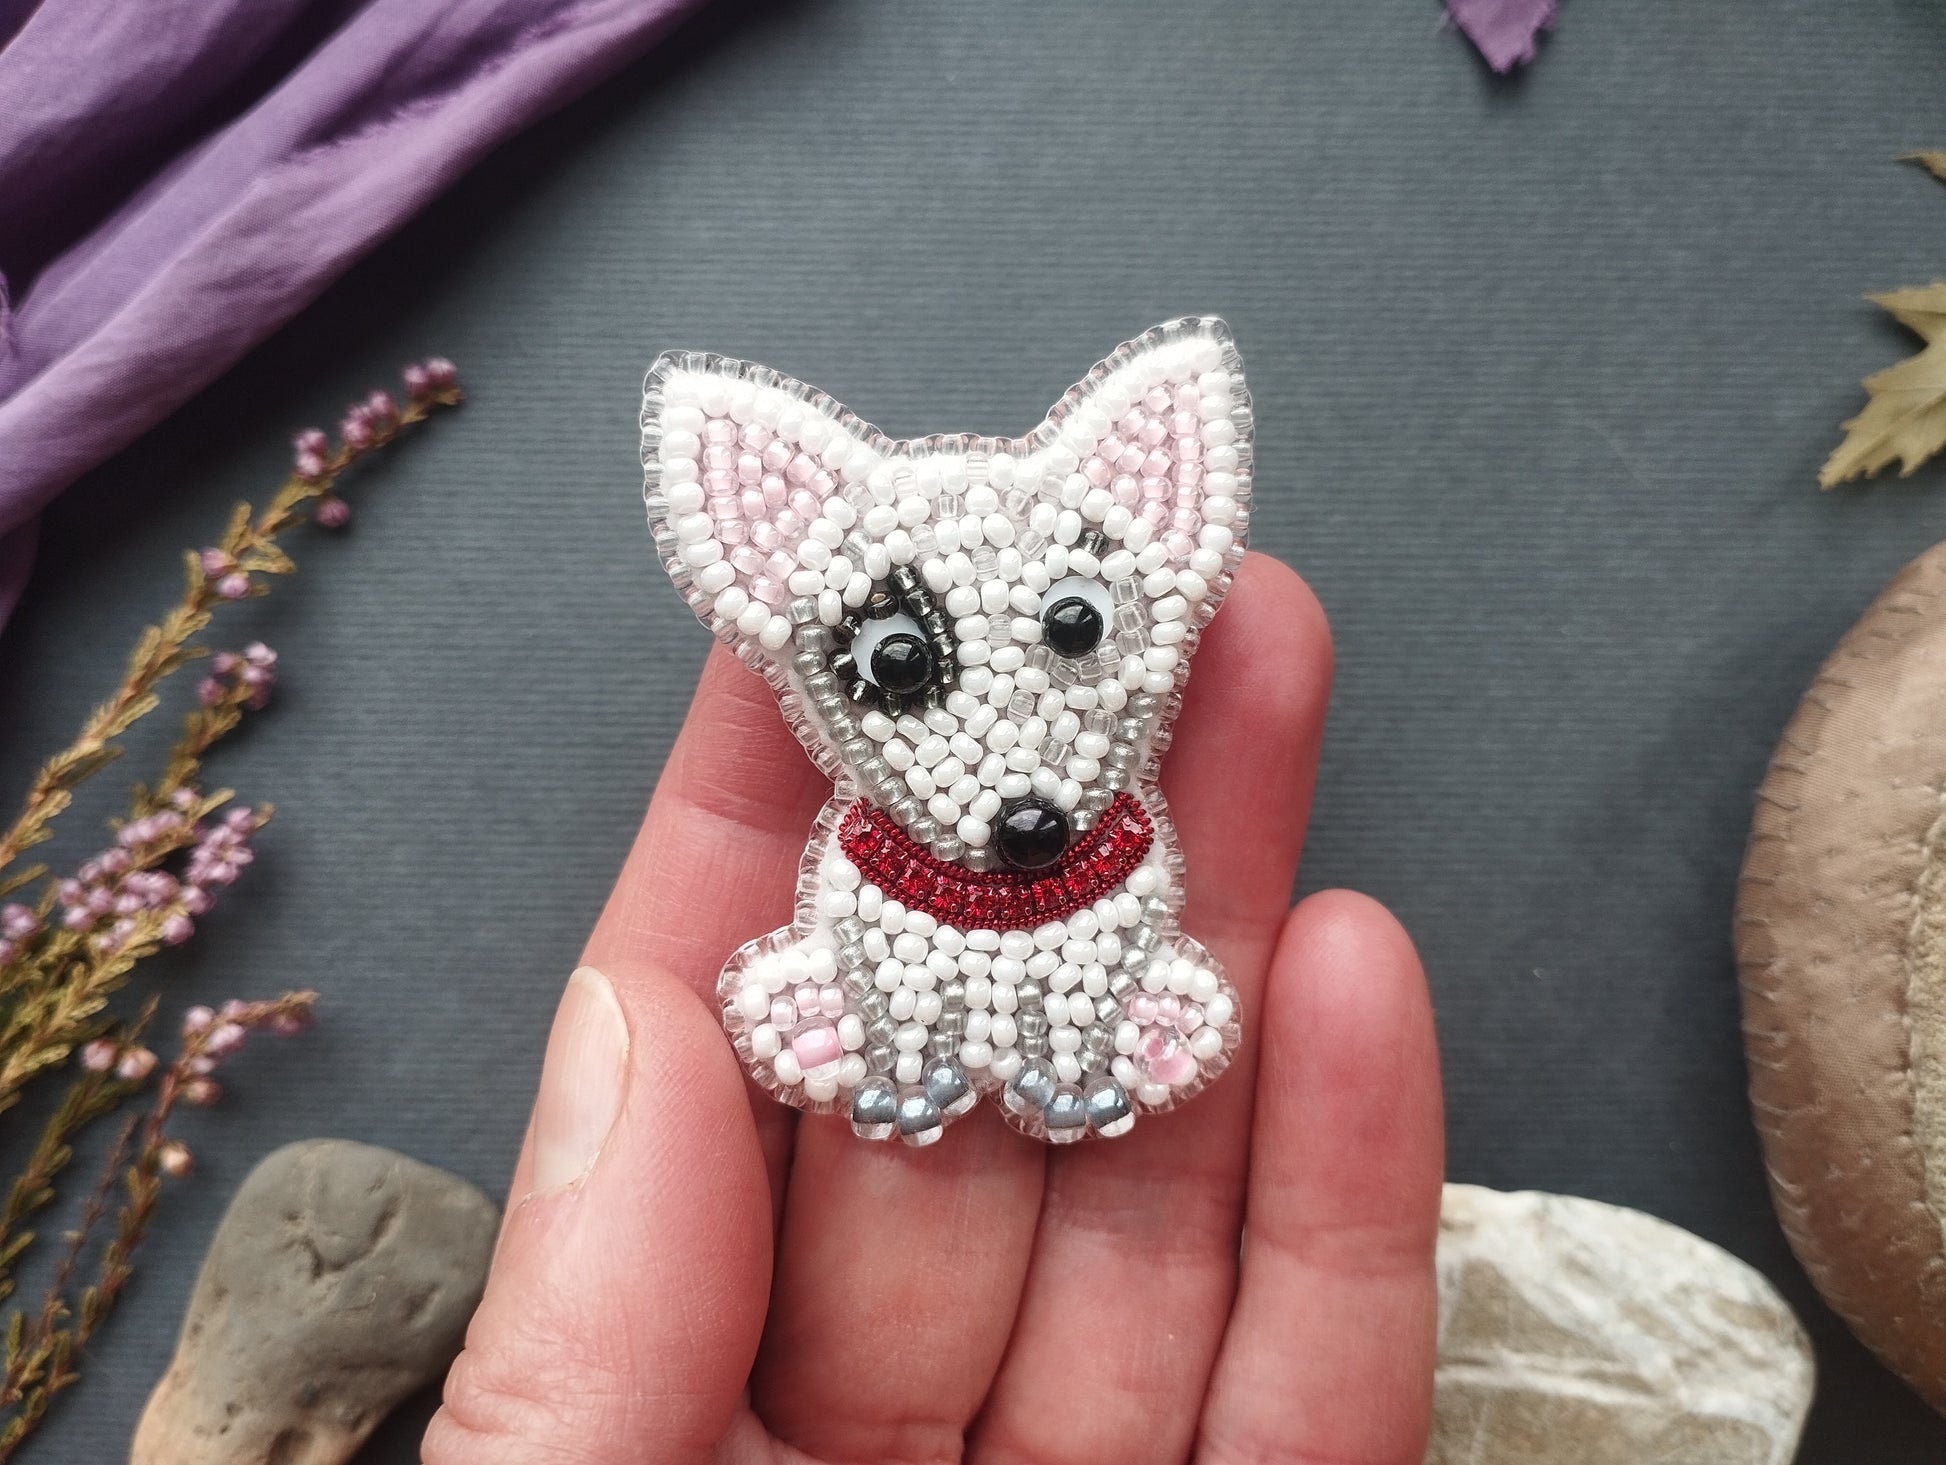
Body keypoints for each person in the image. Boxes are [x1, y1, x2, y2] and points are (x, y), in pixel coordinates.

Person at [420, 555, 1445, 1464]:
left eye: (1072, 629)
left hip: (1090, 929)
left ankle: (1076, 1049)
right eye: (907, 663)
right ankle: (916, 1049)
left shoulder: (1110, 822)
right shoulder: (869, 841)